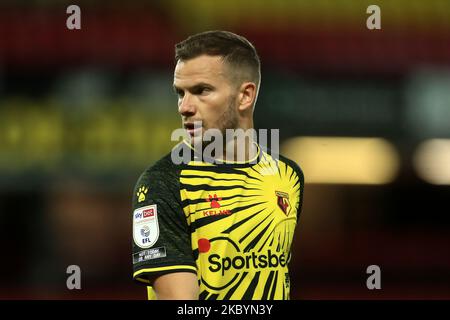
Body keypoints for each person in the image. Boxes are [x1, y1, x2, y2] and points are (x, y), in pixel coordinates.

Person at [131, 30, 304, 300]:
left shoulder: (289, 177)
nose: (184, 107)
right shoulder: (162, 183)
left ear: (245, 96)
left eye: (201, 91)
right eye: (180, 93)